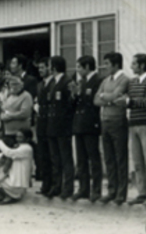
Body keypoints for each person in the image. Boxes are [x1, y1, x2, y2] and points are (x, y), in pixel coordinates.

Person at [123, 54, 146, 207]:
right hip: (133, 124)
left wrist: (129, 102)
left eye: (134, 64)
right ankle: (142, 193)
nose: (131, 67)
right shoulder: (132, 82)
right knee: (138, 161)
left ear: (142, 65)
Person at [94, 52, 130, 205]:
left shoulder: (125, 79)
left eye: (107, 63)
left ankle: (121, 193)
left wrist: (105, 97)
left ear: (116, 64)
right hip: (105, 121)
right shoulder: (105, 80)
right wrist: (108, 99)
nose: (105, 66)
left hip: (118, 121)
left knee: (120, 158)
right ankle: (111, 190)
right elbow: (95, 100)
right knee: (108, 158)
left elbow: (116, 96)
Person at [72, 55, 102, 202]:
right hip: (79, 124)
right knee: (81, 159)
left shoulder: (97, 80)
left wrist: (80, 94)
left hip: (90, 123)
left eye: (79, 67)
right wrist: (75, 94)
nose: (77, 70)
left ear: (87, 67)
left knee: (93, 158)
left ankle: (96, 189)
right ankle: (83, 189)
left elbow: (95, 101)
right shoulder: (80, 82)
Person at [45, 55, 75, 200]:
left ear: (54, 67)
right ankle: (56, 186)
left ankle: (68, 188)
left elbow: (70, 105)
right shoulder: (52, 83)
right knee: (55, 159)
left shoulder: (67, 82)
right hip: (52, 126)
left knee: (65, 158)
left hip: (63, 126)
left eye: (50, 65)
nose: (48, 68)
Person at [0, 129, 34, 204]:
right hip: (13, 181)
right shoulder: (18, 146)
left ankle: (13, 196)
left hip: (18, 185)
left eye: (21, 137)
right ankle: (4, 196)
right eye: (17, 136)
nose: (18, 138)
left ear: (28, 139)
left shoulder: (27, 148)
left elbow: (9, 153)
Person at [35, 58, 53, 196]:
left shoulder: (54, 83)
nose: (40, 70)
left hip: (51, 122)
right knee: (43, 155)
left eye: (43, 67)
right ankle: (45, 185)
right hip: (41, 122)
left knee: (53, 155)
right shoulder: (40, 84)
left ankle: (53, 185)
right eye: (39, 68)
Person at [0, 75, 33, 147]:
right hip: (8, 133)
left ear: (21, 85)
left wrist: (9, 115)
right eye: (11, 84)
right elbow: (3, 112)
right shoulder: (9, 97)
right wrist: (4, 116)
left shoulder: (26, 96)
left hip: (20, 135)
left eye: (16, 84)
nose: (13, 86)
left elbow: (24, 114)